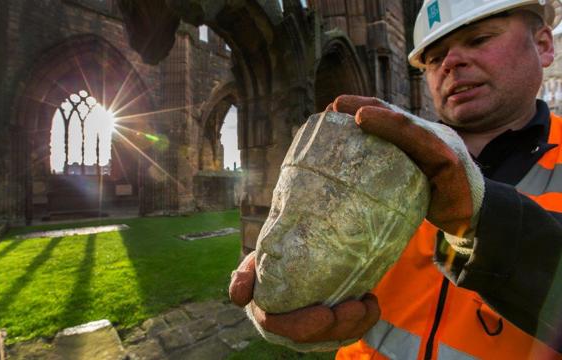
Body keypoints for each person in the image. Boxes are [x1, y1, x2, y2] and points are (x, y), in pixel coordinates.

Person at [229, 0, 562, 358]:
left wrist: (484, 217)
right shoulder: (381, 156)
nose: (451, 62)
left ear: (544, 44)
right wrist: (281, 297)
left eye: (478, 39)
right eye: (434, 59)